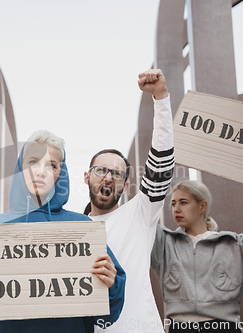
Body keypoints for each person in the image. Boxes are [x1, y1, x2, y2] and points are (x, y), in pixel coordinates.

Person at [0, 130, 126, 333]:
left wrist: (111, 285)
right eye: (33, 162)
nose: (40, 171)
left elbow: (107, 316)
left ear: (60, 174)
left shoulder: (82, 227)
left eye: (52, 165)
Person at [85, 69, 174, 332]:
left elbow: (161, 163)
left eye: (117, 174)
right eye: (101, 171)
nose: (108, 178)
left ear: (126, 185)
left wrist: (161, 97)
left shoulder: (140, 214)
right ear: (86, 177)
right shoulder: (72, 229)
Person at [151, 168, 243, 332]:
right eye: (173, 203)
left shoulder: (233, 244)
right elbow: (139, 220)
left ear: (202, 206)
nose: (176, 208)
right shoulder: (164, 243)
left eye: (183, 202)